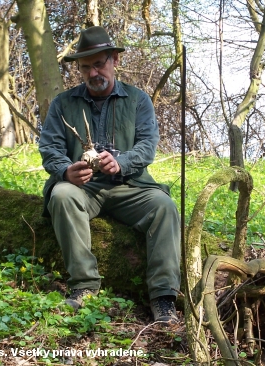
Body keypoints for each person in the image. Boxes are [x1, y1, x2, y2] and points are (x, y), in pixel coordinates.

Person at [38, 26, 181, 324]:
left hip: (131, 186)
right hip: (83, 190)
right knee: (61, 194)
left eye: (99, 64)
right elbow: (50, 147)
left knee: (164, 207)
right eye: (85, 67)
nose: (93, 73)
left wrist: (122, 162)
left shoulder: (138, 100)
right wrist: (66, 170)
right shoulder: (63, 104)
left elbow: (147, 147)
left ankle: (164, 298)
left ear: (114, 59)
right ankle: (84, 286)